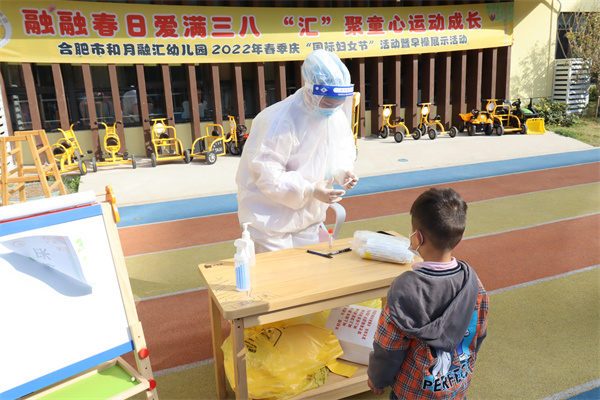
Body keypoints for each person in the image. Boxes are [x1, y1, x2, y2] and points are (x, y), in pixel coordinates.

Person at [367, 187, 489, 399]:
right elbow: (479, 333)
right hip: (456, 388)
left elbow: (388, 347)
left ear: (416, 238)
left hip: (413, 392)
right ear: (461, 235)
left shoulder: (404, 289)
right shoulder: (473, 283)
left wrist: (378, 379)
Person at [236, 49, 359, 253]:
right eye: (328, 102)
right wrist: (309, 189)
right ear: (310, 90)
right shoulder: (279, 121)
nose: (333, 107)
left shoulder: (334, 116)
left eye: (338, 102)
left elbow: (341, 150)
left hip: (309, 218)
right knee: (278, 273)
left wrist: (342, 172)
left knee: (309, 270)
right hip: (270, 223)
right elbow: (267, 175)